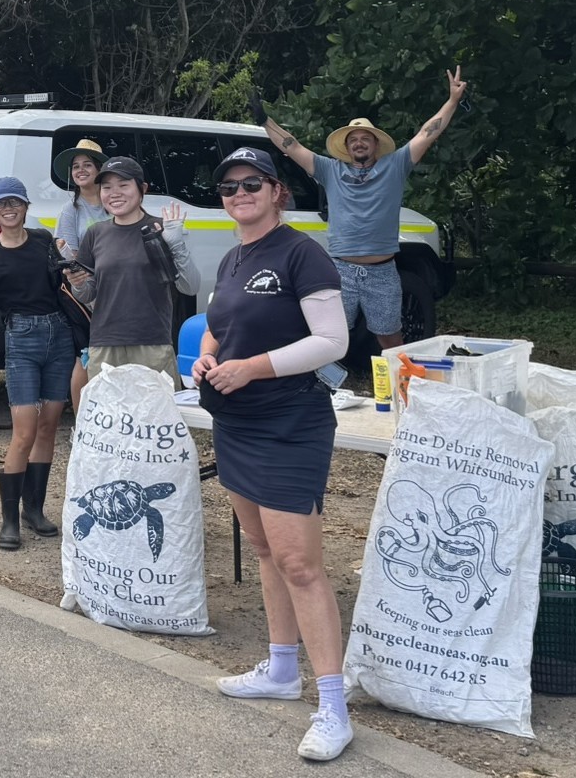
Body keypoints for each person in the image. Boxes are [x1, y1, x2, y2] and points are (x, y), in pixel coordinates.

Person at [189, 146, 352, 761]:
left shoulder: (301, 253)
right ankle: (282, 671)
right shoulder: (233, 257)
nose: (239, 194)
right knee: (262, 549)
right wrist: (208, 355)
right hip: (235, 418)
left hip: (289, 422)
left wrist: (254, 368)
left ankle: (332, 706)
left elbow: (332, 341)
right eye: (229, 187)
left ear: (277, 191)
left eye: (251, 183)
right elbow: (217, 326)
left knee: (300, 563)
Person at [260, 68, 468, 349]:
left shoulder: (395, 165)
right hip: (340, 270)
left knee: (390, 339)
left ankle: (400, 389)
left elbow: (427, 133)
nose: (359, 142)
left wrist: (453, 100)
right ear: (347, 147)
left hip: (382, 272)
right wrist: (265, 121)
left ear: (375, 145)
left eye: (365, 138)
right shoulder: (329, 169)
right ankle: (323, 390)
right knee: (327, 340)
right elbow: (292, 146)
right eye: (353, 139)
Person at [0, 177, 71, 550]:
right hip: (21, 338)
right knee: (24, 432)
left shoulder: (43, 240)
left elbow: (62, 287)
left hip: (59, 335)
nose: (9, 209)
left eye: (15, 202)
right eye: (1, 204)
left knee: (49, 425)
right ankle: (9, 520)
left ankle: (33, 511)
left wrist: (68, 263)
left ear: (25, 207)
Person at [64, 156, 199, 385]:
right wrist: (77, 283)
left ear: (142, 188)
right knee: (107, 416)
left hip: (152, 343)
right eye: (106, 187)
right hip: (104, 343)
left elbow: (190, 285)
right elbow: (88, 294)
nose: (114, 193)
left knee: (155, 417)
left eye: (123, 185)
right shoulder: (95, 233)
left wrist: (175, 243)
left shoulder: (161, 227)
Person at [51, 138, 108, 410]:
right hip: (82, 292)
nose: (81, 170)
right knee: (84, 356)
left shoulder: (114, 202)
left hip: (117, 291)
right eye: (76, 166)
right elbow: (68, 253)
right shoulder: (70, 210)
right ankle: (83, 424)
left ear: (99, 169)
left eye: (87, 164)